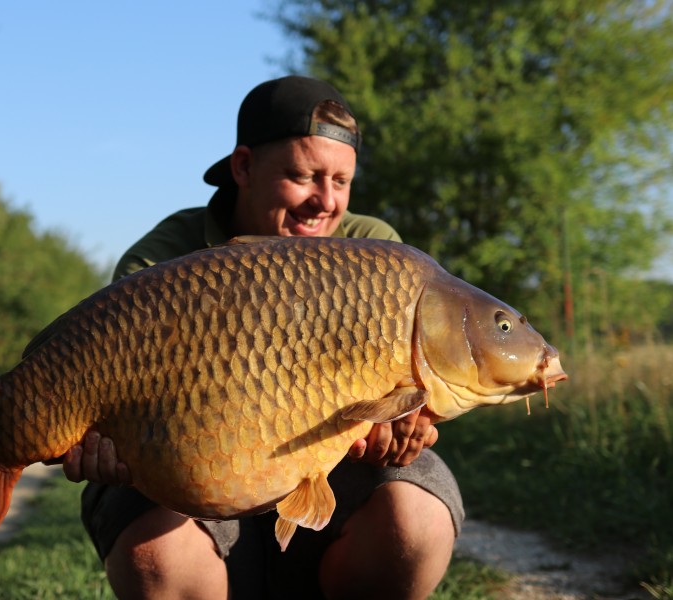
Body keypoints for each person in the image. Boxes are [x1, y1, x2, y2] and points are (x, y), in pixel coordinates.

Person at [61, 76, 464, 600]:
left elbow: (416, 385)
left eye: (341, 182)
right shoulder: (161, 262)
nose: (324, 201)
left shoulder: (376, 251)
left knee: (419, 521)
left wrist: (409, 424)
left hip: (330, 468)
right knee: (156, 553)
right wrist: (102, 448)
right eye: (304, 176)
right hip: (187, 473)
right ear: (244, 167)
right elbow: (103, 401)